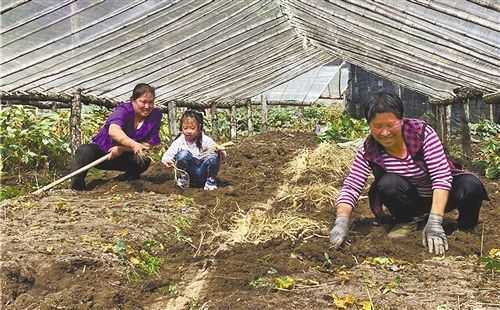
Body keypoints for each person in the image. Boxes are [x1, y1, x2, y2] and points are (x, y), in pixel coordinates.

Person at [329, 91, 489, 255]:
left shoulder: (422, 134)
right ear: (369, 126)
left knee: (471, 185)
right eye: (377, 126)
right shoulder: (369, 148)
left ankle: (466, 229)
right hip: (411, 200)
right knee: (387, 183)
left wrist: (435, 221)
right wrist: (341, 222)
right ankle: (407, 221)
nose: (384, 133)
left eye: (390, 125)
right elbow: (352, 186)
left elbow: (441, 177)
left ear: (402, 120)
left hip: (442, 196)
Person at [71, 83, 162, 190]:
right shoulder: (123, 110)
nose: (147, 106)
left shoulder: (155, 115)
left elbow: (150, 144)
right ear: (133, 100)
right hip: (104, 153)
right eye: (143, 102)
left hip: (126, 156)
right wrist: (133, 144)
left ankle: (128, 178)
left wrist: (122, 149)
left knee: (144, 160)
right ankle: (77, 187)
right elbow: (114, 131)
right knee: (84, 151)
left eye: (151, 102)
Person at [161, 109, 226, 191]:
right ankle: (183, 179)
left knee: (213, 156)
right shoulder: (179, 141)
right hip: (189, 175)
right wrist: (167, 161)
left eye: (192, 128)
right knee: (183, 154)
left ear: (199, 128)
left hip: (203, 173)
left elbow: (221, 155)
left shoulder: (205, 140)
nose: (188, 131)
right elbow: (167, 156)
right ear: (181, 128)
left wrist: (220, 151)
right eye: (185, 128)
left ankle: (210, 182)